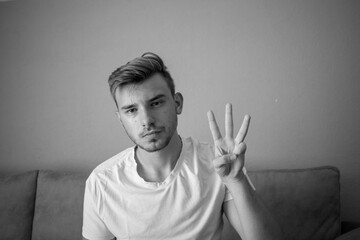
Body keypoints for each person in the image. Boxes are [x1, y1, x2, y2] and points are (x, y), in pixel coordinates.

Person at [82, 52, 283, 240]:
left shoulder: (218, 163)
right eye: (131, 110)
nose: (146, 120)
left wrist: (237, 181)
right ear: (120, 119)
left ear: (177, 103)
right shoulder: (102, 182)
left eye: (156, 103)